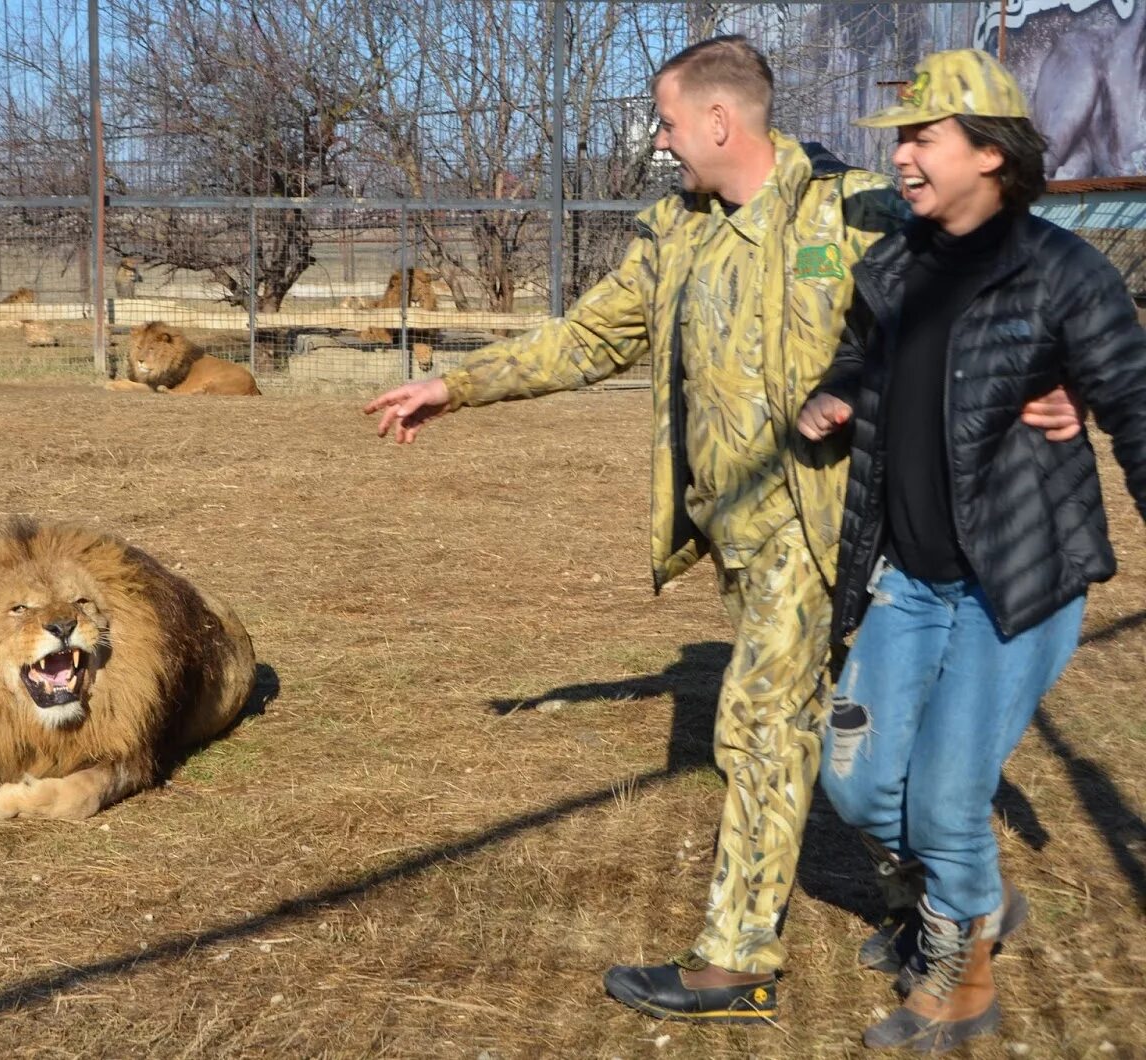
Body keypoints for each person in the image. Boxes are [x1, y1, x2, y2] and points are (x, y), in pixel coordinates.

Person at [363, 36, 1082, 1026]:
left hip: (827, 525)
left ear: (716, 121)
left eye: (666, 122)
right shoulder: (673, 231)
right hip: (734, 537)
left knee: (756, 725)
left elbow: (985, 256)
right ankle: (941, 904)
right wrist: (457, 384)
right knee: (849, 741)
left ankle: (735, 958)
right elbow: (591, 336)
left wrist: (1054, 371)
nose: (659, 143)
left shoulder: (850, 208)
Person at [797, 49, 1146, 1051]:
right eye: (899, 139)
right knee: (858, 782)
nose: (901, 157)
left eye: (920, 137)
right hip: (905, 577)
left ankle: (960, 973)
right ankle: (964, 897)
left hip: (1016, 580)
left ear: (989, 153)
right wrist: (839, 393)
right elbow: (867, 356)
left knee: (950, 796)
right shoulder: (895, 262)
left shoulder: (1063, 272)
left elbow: (1133, 405)